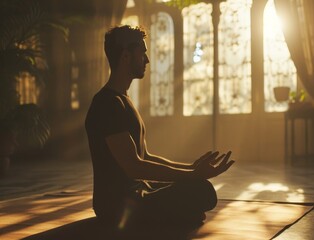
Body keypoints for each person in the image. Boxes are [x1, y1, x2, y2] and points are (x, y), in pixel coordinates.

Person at [85, 25, 235, 233]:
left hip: (139, 192)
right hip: (116, 205)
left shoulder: (123, 99)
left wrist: (191, 168)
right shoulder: (106, 104)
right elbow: (134, 167)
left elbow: (144, 155)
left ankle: (180, 213)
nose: (146, 60)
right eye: (143, 53)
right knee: (199, 190)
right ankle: (180, 213)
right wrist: (191, 176)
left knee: (201, 188)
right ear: (126, 56)